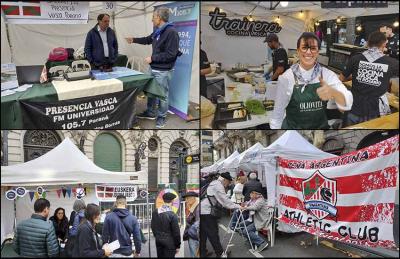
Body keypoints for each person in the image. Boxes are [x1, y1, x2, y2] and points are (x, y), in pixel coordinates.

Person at [270, 32, 353, 129]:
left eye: (313, 48)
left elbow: (346, 105)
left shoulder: (327, 75)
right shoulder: (286, 78)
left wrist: (333, 92)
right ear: (298, 51)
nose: (309, 52)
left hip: (320, 130)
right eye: (304, 48)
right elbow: (277, 114)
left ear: (318, 52)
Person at [125, 7, 181, 128]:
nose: (152, 20)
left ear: (159, 18)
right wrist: (133, 40)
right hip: (153, 67)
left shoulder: (171, 32)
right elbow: (148, 39)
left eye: (153, 17)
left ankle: (162, 117)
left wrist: (153, 58)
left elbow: (171, 55)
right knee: (151, 90)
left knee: (162, 95)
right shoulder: (158, 30)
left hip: (163, 70)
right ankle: (151, 112)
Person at [339, 31, 399, 126]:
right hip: (374, 112)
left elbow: (340, 79)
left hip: (353, 109)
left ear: (368, 43)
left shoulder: (355, 58)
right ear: (384, 44)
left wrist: (359, 75)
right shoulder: (392, 63)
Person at [200, 172, 241, 257]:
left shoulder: (213, 183)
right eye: (228, 182)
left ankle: (202, 252)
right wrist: (238, 206)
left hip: (202, 210)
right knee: (213, 233)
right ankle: (220, 254)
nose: (228, 185)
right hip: (207, 211)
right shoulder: (218, 185)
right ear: (225, 180)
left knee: (203, 233)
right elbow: (225, 201)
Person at [151, 192, 181, 258]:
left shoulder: (155, 211)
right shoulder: (172, 214)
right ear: (172, 201)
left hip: (158, 240)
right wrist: (178, 245)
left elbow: (153, 226)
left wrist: (157, 236)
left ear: (163, 200)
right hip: (169, 242)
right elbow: (176, 232)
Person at [182, 191, 200, 258]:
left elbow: (198, 225)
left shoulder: (197, 208)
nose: (186, 200)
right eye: (186, 199)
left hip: (194, 238)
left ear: (194, 198)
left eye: (188, 198)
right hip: (193, 236)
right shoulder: (192, 207)